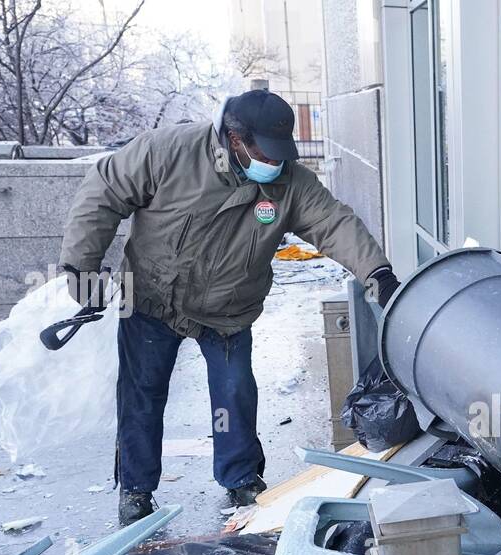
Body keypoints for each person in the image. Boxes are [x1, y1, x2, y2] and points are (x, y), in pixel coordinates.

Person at [59, 90, 400, 525]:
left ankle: (241, 479)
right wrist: (80, 269)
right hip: (151, 298)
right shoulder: (169, 152)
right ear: (234, 138)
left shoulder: (289, 182)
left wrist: (379, 274)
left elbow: (333, 223)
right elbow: (103, 192)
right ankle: (137, 490)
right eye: (265, 152)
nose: (274, 163)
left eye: (280, 154)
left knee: (234, 394)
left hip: (227, 309)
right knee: (141, 397)